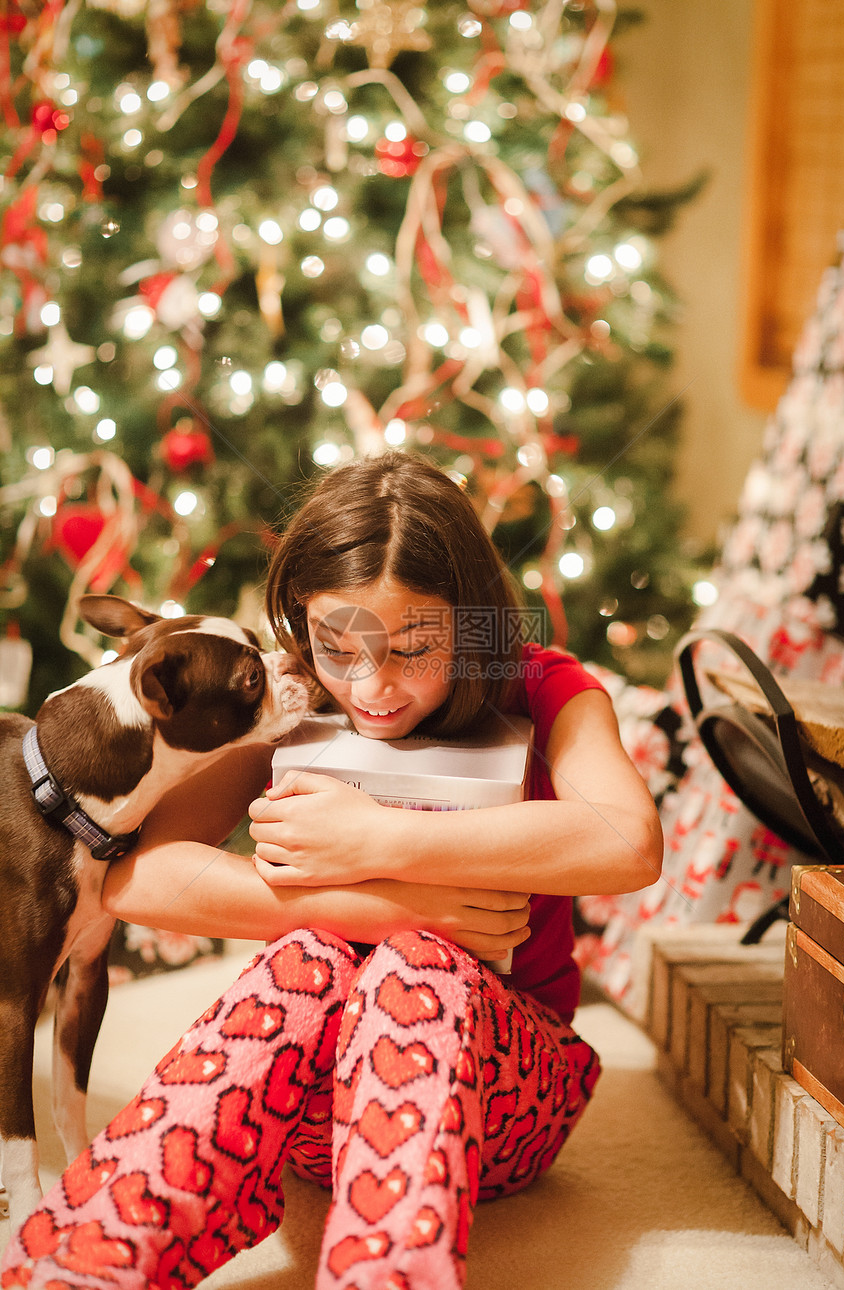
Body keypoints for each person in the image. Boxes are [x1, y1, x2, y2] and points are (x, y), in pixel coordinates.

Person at [1, 452, 662, 1290]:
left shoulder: (540, 686)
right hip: (305, 1111)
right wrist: (382, 907)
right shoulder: (289, 703)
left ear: (476, 620)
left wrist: (379, 839)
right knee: (303, 960)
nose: (371, 684)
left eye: (415, 647)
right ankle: (78, 1266)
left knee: (424, 969)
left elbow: (629, 842)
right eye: (335, 646)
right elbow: (140, 877)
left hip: (504, 1106)